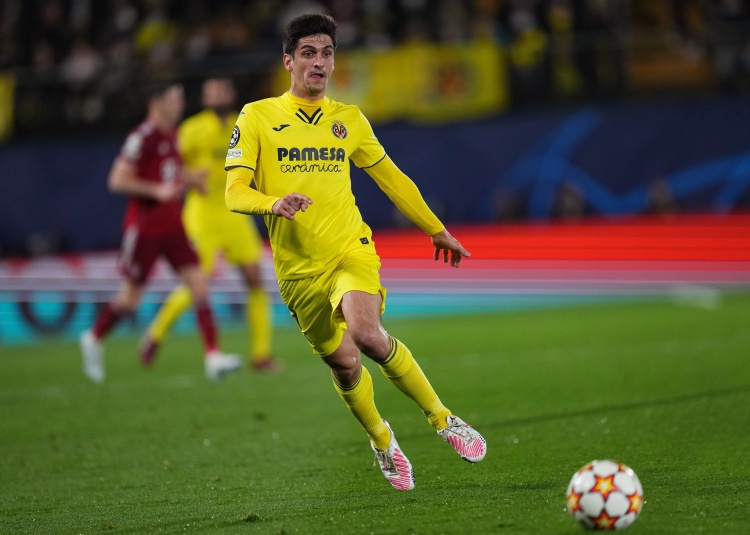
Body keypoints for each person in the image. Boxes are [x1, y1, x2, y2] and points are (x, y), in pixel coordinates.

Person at [225, 14, 487, 491]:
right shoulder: (257, 116)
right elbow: (234, 191)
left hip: (350, 249)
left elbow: (392, 179)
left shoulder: (349, 119)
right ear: (288, 61)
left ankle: (443, 418)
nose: (319, 62)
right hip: (297, 271)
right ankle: (382, 439)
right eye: (308, 53)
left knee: (367, 334)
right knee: (345, 365)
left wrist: (436, 229)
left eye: (327, 53)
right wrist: (272, 203)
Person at [80, 81, 241, 383]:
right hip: (146, 228)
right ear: (157, 103)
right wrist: (157, 190)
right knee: (130, 299)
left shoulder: (172, 136)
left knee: (199, 284)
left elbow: (169, 172)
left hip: (173, 225)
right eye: (175, 99)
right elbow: (117, 180)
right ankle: (94, 337)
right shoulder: (142, 137)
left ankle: (213, 357)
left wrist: (192, 180)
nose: (181, 104)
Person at [140, 78, 278, 372]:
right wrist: (190, 178)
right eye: (212, 93)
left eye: (222, 91)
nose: (217, 97)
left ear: (231, 94)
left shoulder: (244, 123)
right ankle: (155, 334)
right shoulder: (192, 129)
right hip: (202, 213)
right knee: (198, 281)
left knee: (255, 278)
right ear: (204, 99)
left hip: (235, 211)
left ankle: (261, 355)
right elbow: (170, 164)